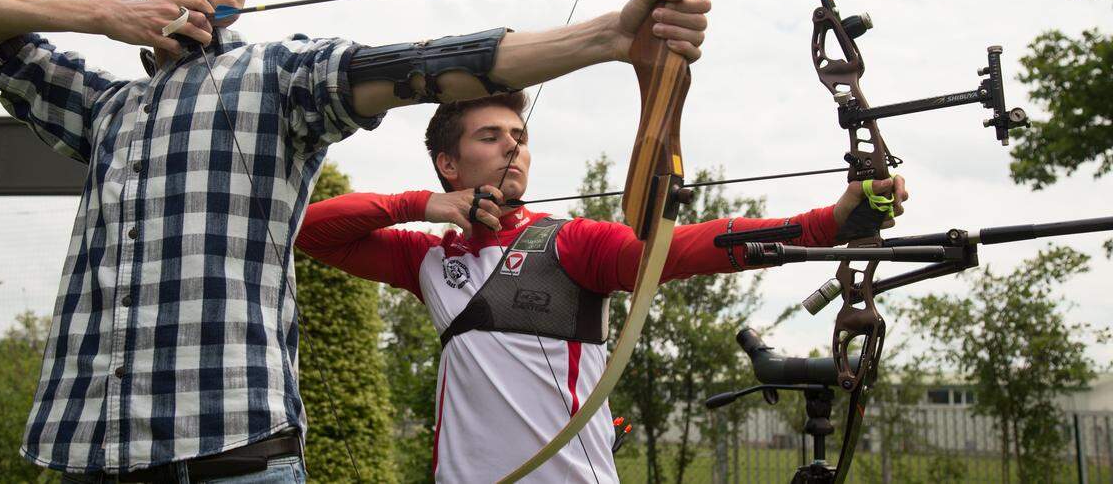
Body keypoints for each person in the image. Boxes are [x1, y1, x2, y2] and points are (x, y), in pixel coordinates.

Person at [0, 0, 710, 482]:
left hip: (234, 454)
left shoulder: (276, 77)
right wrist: (107, 17)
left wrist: (610, 35)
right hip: (89, 450)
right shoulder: (102, 108)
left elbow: (426, 67)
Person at [295, 91, 909, 482]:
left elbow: (686, 248)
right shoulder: (426, 258)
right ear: (449, 165)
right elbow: (310, 231)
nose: (514, 144)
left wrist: (826, 223)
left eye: (521, 136)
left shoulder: (570, 241)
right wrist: (423, 204)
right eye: (491, 136)